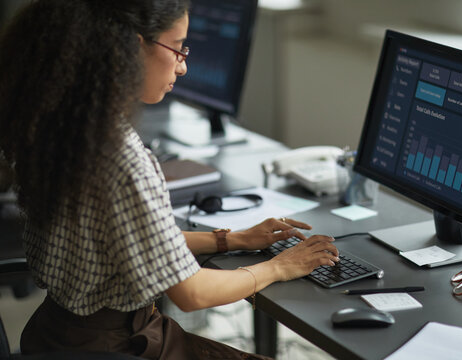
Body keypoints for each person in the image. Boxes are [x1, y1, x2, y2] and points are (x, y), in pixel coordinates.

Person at [0, 0, 339, 359]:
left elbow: (131, 237)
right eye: (177, 49)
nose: (184, 65)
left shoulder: (59, 120)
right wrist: (279, 266)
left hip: (57, 335)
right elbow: (192, 294)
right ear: (131, 47)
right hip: (115, 346)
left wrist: (230, 239)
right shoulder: (119, 155)